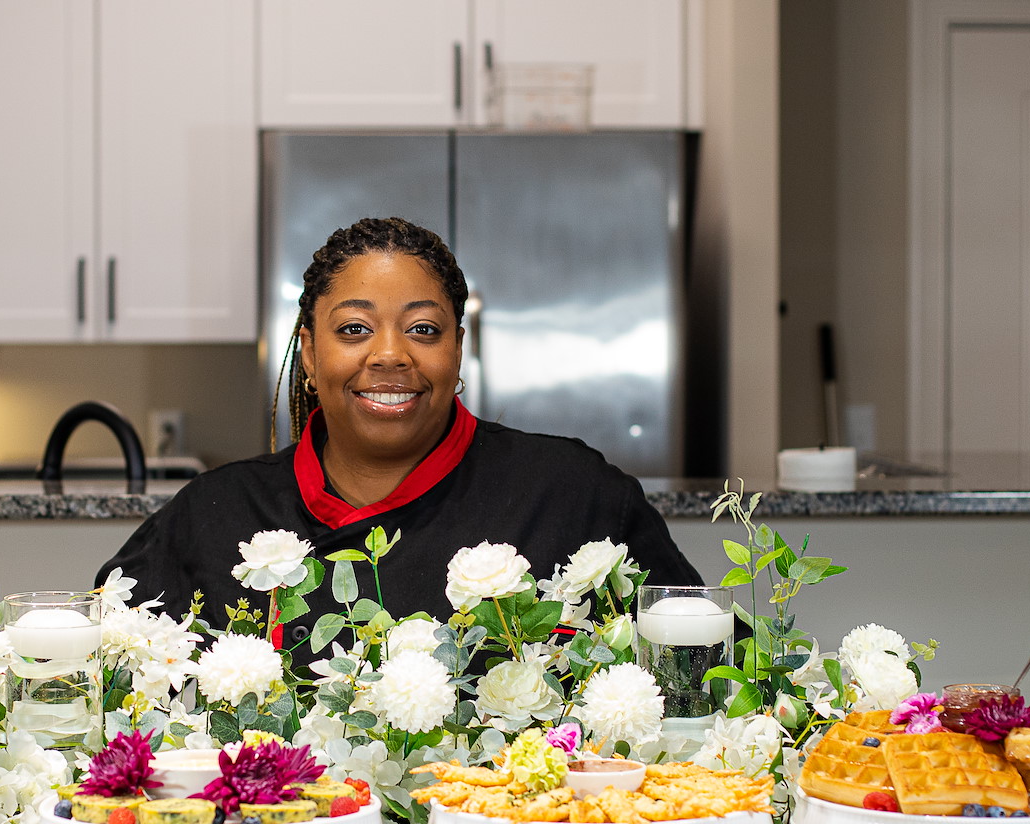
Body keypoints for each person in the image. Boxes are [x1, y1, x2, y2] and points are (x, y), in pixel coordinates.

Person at [98, 217, 699, 642]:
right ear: (309, 354)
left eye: (423, 330)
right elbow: (111, 674)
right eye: (354, 330)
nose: (389, 355)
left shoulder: (573, 494)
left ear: (458, 350)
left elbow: (703, 672)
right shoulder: (214, 515)